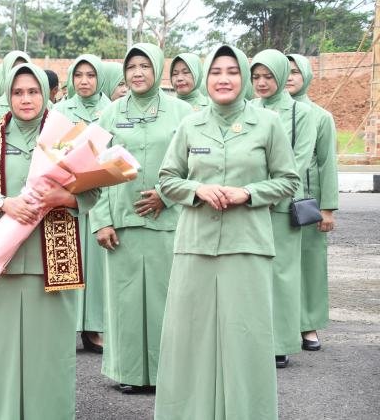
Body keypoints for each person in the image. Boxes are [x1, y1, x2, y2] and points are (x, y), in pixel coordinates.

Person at [154, 43, 299, 420]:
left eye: (232, 72)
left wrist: (249, 193)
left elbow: (288, 180)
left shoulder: (268, 124)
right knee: (190, 339)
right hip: (195, 245)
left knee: (245, 339)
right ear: (208, 77)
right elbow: (167, 179)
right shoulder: (190, 124)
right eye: (216, 72)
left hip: (246, 245)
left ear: (245, 78)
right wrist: (196, 190)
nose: (223, 79)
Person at [0, 63, 98, 419]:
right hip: (1, 257)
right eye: (18, 92)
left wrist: (64, 199)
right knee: (0, 352)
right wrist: (3, 203)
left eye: (33, 91)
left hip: (51, 261)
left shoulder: (66, 135)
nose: (26, 99)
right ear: (8, 95)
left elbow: (93, 192)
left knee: (49, 352)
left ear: (47, 93)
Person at [91, 42, 192, 393]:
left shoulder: (182, 112)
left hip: (170, 220)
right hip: (123, 220)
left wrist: (166, 195)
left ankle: (169, 372)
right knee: (126, 301)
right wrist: (101, 220)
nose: (137, 72)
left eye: (145, 66)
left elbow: (195, 164)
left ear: (158, 69)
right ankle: (129, 371)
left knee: (168, 299)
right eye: (131, 66)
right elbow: (93, 170)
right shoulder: (110, 114)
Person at [250, 49, 316, 368]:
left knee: (281, 275)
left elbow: (298, 162)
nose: (262, 83)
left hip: (280, 204)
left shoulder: (301, 114)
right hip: (249, 206)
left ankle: (279, 342)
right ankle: (254, 339)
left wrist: (263, 191)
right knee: (252, 275)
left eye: (268, 76)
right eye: (256, 77)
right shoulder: (247, 109)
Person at [53, 54, 110, 354]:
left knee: (97, 268)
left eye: (90, 75)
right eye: (79, 75)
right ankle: (68, 325)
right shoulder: (61, 110)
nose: (84, 81)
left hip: (100, 195)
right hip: (68, 196)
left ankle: (94, 326)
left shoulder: (111, 110)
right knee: (69, 260)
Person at [287, 53, 338, 351]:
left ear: (306, 75)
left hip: (306, 204)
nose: (290, 77)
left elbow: (327, 165)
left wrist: (327, 208)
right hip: (272, 202)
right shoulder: (265, 112)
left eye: (296, 71)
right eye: (286, 71)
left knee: (310, 265)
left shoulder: (320, 116)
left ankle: (308, 325)